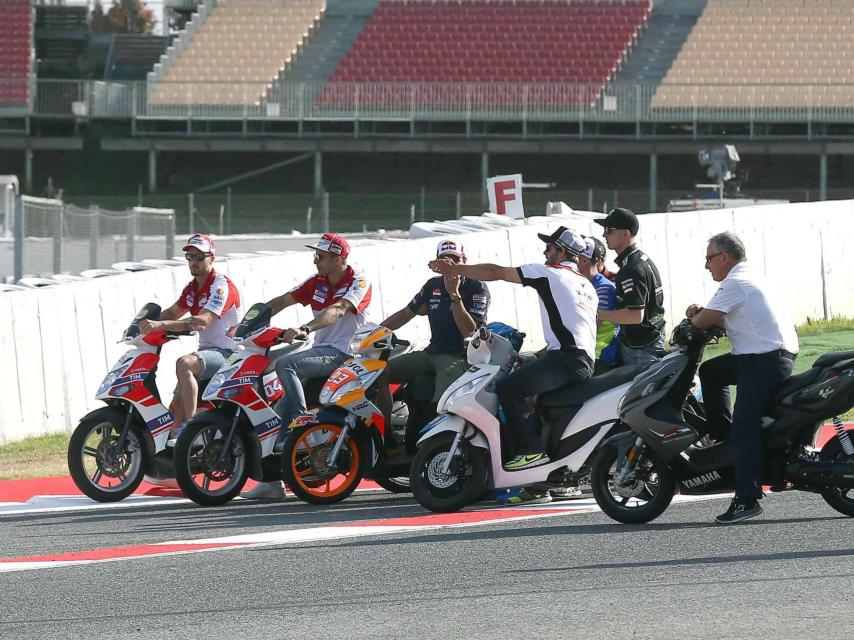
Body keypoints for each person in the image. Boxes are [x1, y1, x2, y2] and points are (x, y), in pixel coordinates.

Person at [429, 227, 597, 496]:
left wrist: (455, 269)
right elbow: (575, 328)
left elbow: (496, 272)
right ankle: (541, 479)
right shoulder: (586, 284)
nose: (545, 251)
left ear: (562, 252)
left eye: (549, 247)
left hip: (566, 358)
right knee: (533, 394)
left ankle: (531, 451)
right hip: (578, 358)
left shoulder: (550, 273)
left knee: (509, 387)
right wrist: (538, 356)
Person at [242, 232, 372, 500]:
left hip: (345, 355)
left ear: (338, 259)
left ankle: (302, 422)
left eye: (320, 256)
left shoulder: (358, 280)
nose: (315, 260)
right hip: (321, 353)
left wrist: (305, 328)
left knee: (286, 364)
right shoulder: (317, 281)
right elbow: (282, 301)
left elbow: (337, 310)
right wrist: (248, 323)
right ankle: (271, 483)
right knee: (277, 413)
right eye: (315, 255)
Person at [688, 231, 798, 524]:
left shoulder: (735, 282)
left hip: (763, 361)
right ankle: (725, 439)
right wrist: (705, 317)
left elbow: (702, 320)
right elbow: (727, 318)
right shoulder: (750, 277)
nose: (706, 265)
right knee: (710, 372)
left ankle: (747, 499)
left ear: (724, 257)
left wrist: (692, 318)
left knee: (745, 425)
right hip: (763, 357)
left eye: (709, 258)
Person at [380, 239, 490, 452]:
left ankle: (436, 452)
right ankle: (385, 435)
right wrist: (375, 331)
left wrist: (454, 294)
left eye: (455, 260)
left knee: (441, 405)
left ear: (465, 261)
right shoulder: (432, 285)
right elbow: (407, 313)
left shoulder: (477, 287)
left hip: (458, 356)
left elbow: (469, 331)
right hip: (431, 352)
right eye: (444, 260)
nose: (450, 265)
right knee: (379, 372)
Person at [138, 234, 241, 442]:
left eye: (200, 257)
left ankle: (191, 429)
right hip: (207, 353)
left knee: (184, 363)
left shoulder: (221, 286)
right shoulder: (192, 288)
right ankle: (178, 455)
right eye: (190, 257)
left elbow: (202, 321)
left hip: (229, 354)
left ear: (212, 258)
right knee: (175, 409)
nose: (194, 261)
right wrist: (140, 325)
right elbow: (173, 313)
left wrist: (161, 325)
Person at [595, 208, 666, 366]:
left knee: (641, 383)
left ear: (625, 233)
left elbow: (635, 316)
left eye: (609, 230)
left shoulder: (630, 269)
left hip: (642, 347)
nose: (604, 235)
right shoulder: (641, 259)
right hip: (650, 339)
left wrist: (599, 314)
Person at [577, 236, 620, 374]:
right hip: (587, 354)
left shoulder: (604, 288)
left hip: (599, 357)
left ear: (584, 261)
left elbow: (592, 327)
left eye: (574, 258)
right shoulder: (584, 284)